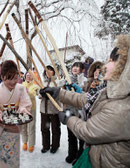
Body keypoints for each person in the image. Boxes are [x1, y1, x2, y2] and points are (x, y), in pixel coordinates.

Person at [40, 34, 130, 168]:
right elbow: (85, 98)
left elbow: (88, 132)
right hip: (97, 157)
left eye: (111, 60)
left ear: (123, 67)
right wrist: (58, 92)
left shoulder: (121, 107)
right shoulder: (110, 90)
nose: (106, 64)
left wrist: (68, 119)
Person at [0, 60, 32, 168]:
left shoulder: (20, 89)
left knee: (13, 154)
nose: (12, 82)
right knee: (2, 155)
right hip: (0, 126)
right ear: (2, 77)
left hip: (15, 126)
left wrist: (23, 109)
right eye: (9, 78)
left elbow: (26, 103)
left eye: (15, 78)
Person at [64, 62, 86, 164]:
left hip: (81, 112)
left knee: (81, 135)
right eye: (74, 66)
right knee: (71, 134)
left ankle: (80, 156)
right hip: (70, 110)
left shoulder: (85, 81)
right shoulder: (67, 80)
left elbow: (88, 96)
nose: (75, 68)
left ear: (82, 69)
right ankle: (71, 153)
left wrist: (80, 92)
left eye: (78, 66)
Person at [39, 65, 61, 154]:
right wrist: (41, 93)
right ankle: (46, 146)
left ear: (53, 72)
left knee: (55, 129)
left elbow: (59, 95)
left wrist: (51, 92)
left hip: (54, 110)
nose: (48, 72)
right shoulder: (42, 82)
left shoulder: (57, 82)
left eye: (50, 70)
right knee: (45, 128)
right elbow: (39, 95)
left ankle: (55, 146)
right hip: (44, 110)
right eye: (46, 70)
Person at [21, 72, 39, 152]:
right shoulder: (21, 85)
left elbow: (33, 95)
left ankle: (31, 144)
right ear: (25, 77)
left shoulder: (35, 86)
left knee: (31, 126)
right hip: (22, 108)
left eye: (30, 75)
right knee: (23, 126)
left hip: (32, 108)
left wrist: (27, 92)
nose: (28, 77)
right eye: (27, 75)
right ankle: (25, 142)